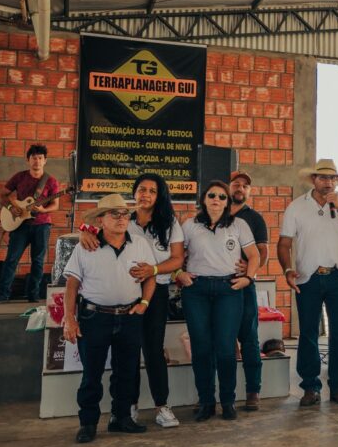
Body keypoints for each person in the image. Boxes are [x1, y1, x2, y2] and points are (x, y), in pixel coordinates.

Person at [78, 174, 184, 429]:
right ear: (135, 193)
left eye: (152, 191)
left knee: (153, 350)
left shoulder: (169, 222)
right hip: (126, 295)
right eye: (141, 190)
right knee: (129, 354)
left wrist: (154, 270)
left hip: (155, 293)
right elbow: (91, 228)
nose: (146, 195)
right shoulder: (125, 218)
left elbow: (178, 259)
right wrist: (84, 234)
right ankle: (129, 407)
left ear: (160, 196)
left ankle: (162, 405)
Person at [62, 194, 156, 443]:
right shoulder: (86, 245)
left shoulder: (139, 244)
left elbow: (150, 276)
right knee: (91, 374)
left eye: (125, 214)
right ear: (101, 220)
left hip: (129, 316)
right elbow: (72, 284)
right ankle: (88, 423)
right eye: (114, 214)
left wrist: (144, 303)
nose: (121, 219)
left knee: (126, 372)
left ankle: (121, 418)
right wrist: (69, 319)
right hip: (94, 317)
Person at [279, 159, 338, 408]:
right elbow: (284, 243)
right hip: (308, 276)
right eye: (323, 177)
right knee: (307, 333)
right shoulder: (297, 207)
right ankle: (310, 387)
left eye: (333, 178)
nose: (328, 182)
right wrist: (287, 269)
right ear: (313, 180)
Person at [177, 180, 259, 421]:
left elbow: (254, 255)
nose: (217, 200)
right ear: (204, 199)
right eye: (212, 195)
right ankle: (206, 402)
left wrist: (249, 278)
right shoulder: (189, 225)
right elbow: (176, 255)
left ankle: (228, 401)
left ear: (227, 201)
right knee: (201, 348)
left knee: (225, 348)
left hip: (228, 289)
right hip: (196, 290)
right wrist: (178, 274)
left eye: (222, 197)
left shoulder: (239, 225)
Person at [228, 171, 270, 411]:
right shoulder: (217, 213)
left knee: (249, 340)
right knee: (223, 342)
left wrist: (250, 270)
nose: (240, 188)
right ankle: (226, 393)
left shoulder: (254, 218)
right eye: (236, 184)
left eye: (245, 186)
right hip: (219, 286)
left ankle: (253, 391)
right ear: (228, 187)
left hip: (245, 286)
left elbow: (262, 252)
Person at [0, 144, 60, 302]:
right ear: (28, 160)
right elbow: (3, 195)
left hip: (42, 225)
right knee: (12, 259)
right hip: (20, 225)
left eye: (40, 158)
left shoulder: (51, 181)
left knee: (38, 261)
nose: (37, 161)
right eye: (34, 158)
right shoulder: (19, 177)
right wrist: (11, 207)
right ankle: (2, 295)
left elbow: (55, 204)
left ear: (45, 161)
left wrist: (43, 210)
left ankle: (33, 296)